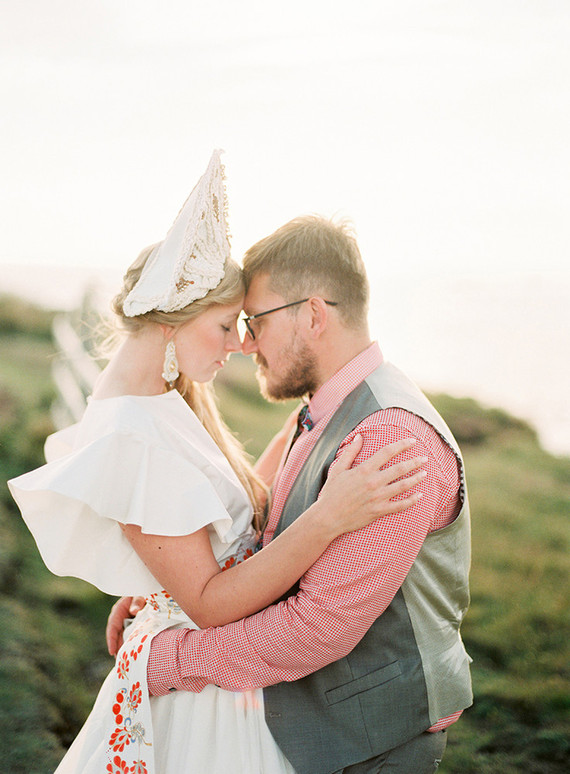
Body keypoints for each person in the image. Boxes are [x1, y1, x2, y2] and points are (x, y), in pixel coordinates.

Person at [8, 151, 426, 774]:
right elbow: (208, 603)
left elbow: (201, 535)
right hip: (205, 697)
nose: (239, 344)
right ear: (172, 323)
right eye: (227, 325)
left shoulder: (161, 407)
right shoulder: (134, 435)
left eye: (245, 324)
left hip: (223, 679)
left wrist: (311, 423)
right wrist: (328, 516)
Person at [109, 212, 474, 774]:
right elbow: (273, 542)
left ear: (312, 314)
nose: (247, 344)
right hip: (326, 732)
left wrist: (166, 659)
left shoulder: (389, 437)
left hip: (370, 745)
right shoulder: (326, 411)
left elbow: (317, 628)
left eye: (255, 320)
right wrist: (170, 599)